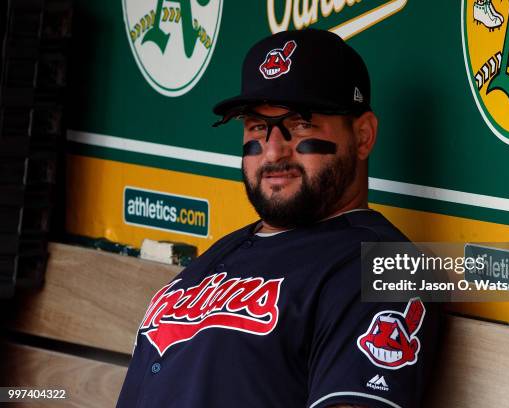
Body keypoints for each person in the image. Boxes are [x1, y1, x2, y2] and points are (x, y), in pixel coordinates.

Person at [116, 28, 440, 408]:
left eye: (301, 124)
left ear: (364, 135)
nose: (272, 152)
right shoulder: (224, 251)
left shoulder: (386, 266)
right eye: (257, 126)